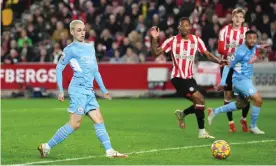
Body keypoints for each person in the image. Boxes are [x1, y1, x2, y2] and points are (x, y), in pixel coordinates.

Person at [37, 20, 128, 158]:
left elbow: (95, 71)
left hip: (89, 91)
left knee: (99, 119)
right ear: (72, 32)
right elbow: (59, 68)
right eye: (78, 30)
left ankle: (109, 151)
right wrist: (61, 90)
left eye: (83, 30)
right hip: (77, 90)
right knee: (75, 124)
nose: (82, 32)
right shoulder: (70, 49)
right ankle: (46, 146)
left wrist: (104, 90)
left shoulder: (90, 47)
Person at [151, 17, 225, 139]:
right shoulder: (172, 41)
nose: (184, 28)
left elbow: (207, 54)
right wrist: (155, 39)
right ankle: (202, 132)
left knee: (200, 103)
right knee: (200, 99)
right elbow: (155, 53)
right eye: (182, 25)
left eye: (186, 25)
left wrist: (219, 61)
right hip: (178, 78)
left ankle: (183, 114)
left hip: (189, 78)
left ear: (190, 27)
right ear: (178, 28)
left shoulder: (196, 40)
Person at [208, 30, 265, 135]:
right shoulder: (239, 52)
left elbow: (254, 46)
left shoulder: (252, 46)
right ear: (245, 39)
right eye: (250, 38)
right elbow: (228, 65)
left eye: (254, 38)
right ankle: (253, 126)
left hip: (245, 79)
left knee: (241, 104)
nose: (252, 40)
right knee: (258, 100)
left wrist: (260, 46)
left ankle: (214, 111)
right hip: (240, 80)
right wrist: (223, 82)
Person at [217, 8, 251, 132]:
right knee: (228, 95)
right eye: (236, 16)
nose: (238, 19)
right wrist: (233, 54)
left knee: (246, 95)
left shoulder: (247, 31)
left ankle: (243, 118)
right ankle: (231, 123)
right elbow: (221, 49)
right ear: (232, 18)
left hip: (241, 68)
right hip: (227, 66)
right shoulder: (224, 30)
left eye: (240, 17)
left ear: (243, 19)